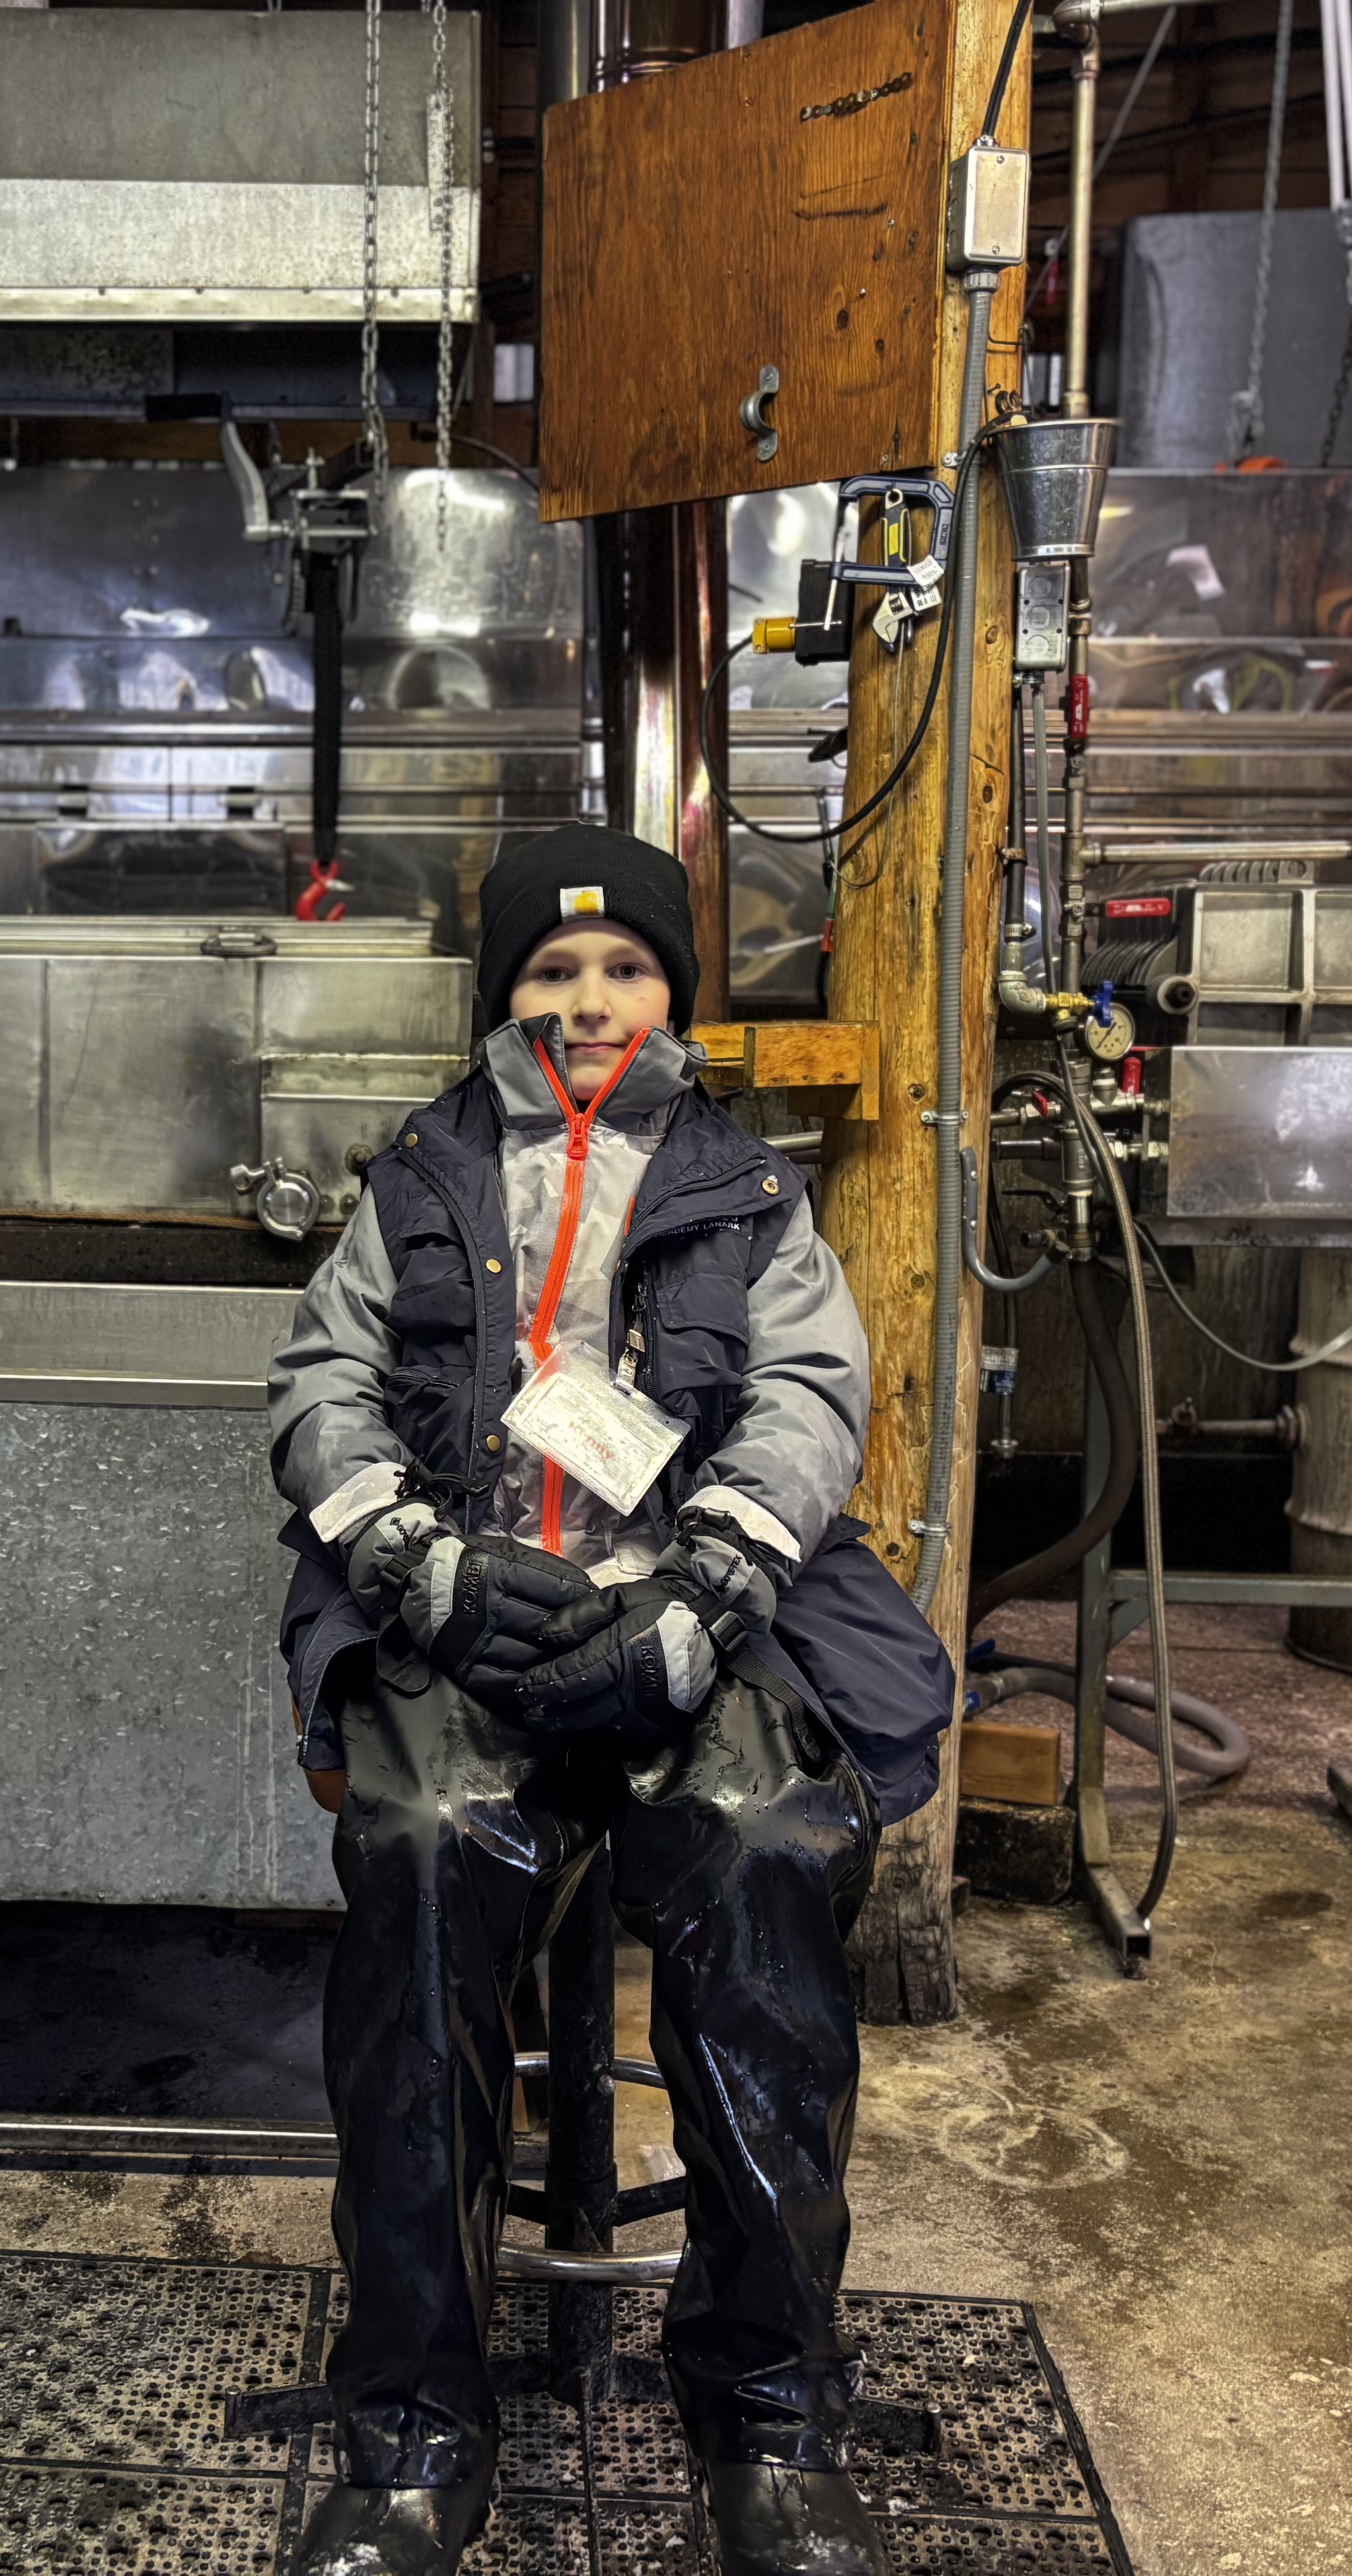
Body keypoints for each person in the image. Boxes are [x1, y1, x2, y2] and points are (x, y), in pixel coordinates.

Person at [267, 823, 952, 2576]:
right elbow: (322, 1385)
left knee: (764, 1846)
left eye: (624, 967)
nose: (587, 999)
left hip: (683, 1626)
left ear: (672, 988)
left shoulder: (742, 1181)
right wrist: (414, 1560)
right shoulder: (419, 1171)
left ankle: (772, 2415)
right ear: (505, 996)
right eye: (551, 972)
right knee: (424, 1856)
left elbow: (808, 1391)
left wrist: (717, 1576)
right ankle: (414, 2427)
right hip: (468, 1612)